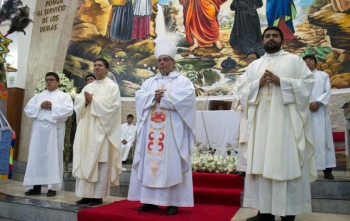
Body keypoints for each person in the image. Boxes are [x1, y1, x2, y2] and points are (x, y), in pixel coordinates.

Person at [237, 27, 317, 221]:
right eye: (267, 36)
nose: (271, 39)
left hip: (286, 126)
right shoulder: (254, 66)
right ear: (262, 41)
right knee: (262, 167)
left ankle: (289, 212)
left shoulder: (294, 61)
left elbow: (308, 83)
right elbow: (240, 90)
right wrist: (258, 84)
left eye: (275, 36)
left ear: (282, 39)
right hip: (261, 127)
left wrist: (282, 82)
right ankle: (264, 212)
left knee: (285, 164)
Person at [128, 37, 196, 215]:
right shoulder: (149, 82)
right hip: (152, 131)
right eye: (159, 60)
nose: (162, 63)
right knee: (150, 165)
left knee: (171, 165)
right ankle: (149, 201)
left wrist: (165, 97)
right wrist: (152, 97)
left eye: (166, 59)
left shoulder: (183, 82)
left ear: (173, 62)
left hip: (172, 132)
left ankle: (172, 202)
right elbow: (140, 97)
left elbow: (188, 98)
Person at [72, 58, 122, 206]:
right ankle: (85, 195)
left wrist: (94, 101)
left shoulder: (112, 86)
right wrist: (85, 101)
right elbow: (78, 104)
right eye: (95, 65)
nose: (96, 67)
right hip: (87, 130)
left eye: (100, 65)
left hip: (102, 130)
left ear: (107, 69)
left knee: (100, 161)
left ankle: (97, 196)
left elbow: (113, 107)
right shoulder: (89, 86)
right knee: (85, 158)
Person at [23, 72, 74, 197]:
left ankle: (53, 187)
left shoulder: (64, 96)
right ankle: (35, 186)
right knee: (36, 157)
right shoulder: (38, 96)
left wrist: (53, 107)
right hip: (39, 130)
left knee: (53, 157)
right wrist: (40, 106)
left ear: (58, 82)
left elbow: (69, 110)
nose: (49, 82)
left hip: (54, 129)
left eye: (51, 80)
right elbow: (28, 110)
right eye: (47, 80)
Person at [303, 54, 336, 180]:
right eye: (305, 61)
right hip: (306, 113)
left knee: (323, 140)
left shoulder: (323, 75)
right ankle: (307, 169)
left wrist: (318, 102)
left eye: (310, 60)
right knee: (308, 141)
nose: (307, 62)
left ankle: (327, 170)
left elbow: (327, 91)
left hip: (320, 113)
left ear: (315, 63)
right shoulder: (301, 78)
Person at [232, 52, 260, 177]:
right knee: (245, 138)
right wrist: (244, 103)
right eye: (248, 59)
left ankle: (258, 166)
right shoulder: (242, 78)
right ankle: (243, 167)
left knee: (259, 139)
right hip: (246, 113)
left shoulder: (262, 76)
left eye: (253, 58)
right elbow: (236, 94)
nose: (251, 60)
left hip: (259, 112)